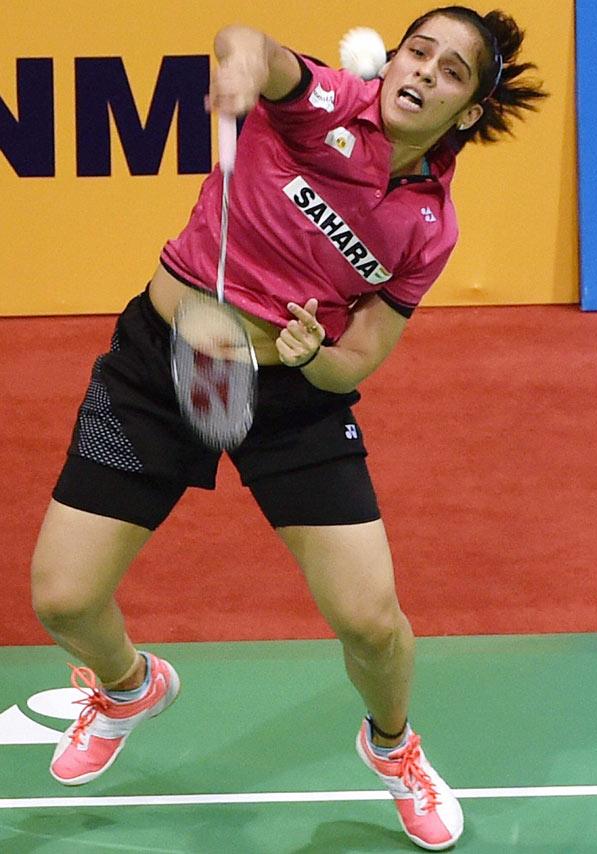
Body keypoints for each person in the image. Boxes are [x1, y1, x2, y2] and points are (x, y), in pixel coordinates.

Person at [31, 6, 546, 850]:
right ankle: (128, 687)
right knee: (63, 597)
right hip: (166, 369)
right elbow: (252, 45)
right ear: (391, 58)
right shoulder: (327, 103)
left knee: (373, 620)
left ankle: (393, 746)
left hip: (289, 399)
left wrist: (318, 359)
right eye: (417, 52)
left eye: (451, 71)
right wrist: (236, 70)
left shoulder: (429, 226)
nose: (423, 73)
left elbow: (363, 355)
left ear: (471, 112)